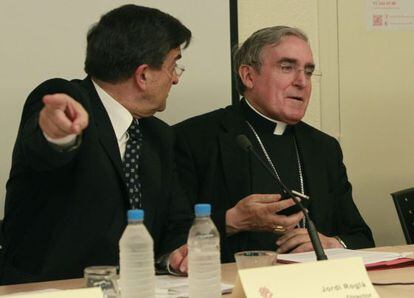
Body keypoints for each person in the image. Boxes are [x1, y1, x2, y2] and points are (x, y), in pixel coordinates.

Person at [0, 4, 193, 284]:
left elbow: (176, 221)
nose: (175, 78)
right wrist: (58, 134)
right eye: (173, 64)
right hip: (49, 288)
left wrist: (176, 253)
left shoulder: (158, 136)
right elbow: (43, 151)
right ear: (143, 75)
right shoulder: (68, 99)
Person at [174, 26, 374, 262]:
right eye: (287, 67)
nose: (302, 82)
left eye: (308, 72)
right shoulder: (193, 138)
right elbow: (165, 235)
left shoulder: (323, 148)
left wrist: (331, 244)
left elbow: (361, 237)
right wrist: (231, 221)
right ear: (248, 76)